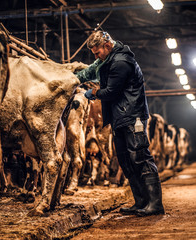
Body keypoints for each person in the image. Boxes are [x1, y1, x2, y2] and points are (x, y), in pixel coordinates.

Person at [75, 30, 164, 216]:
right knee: (125, 160)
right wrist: (75, 77)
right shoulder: (107, 60)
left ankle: (155, 205)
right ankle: (140, 203)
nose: (96, 57)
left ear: (107, 46)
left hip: (133, 116)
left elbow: (111, 92)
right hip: (120, 117)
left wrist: (94, 93)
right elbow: (92, 69)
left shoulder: (121, 62)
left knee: (140, 156)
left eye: (97, 52)